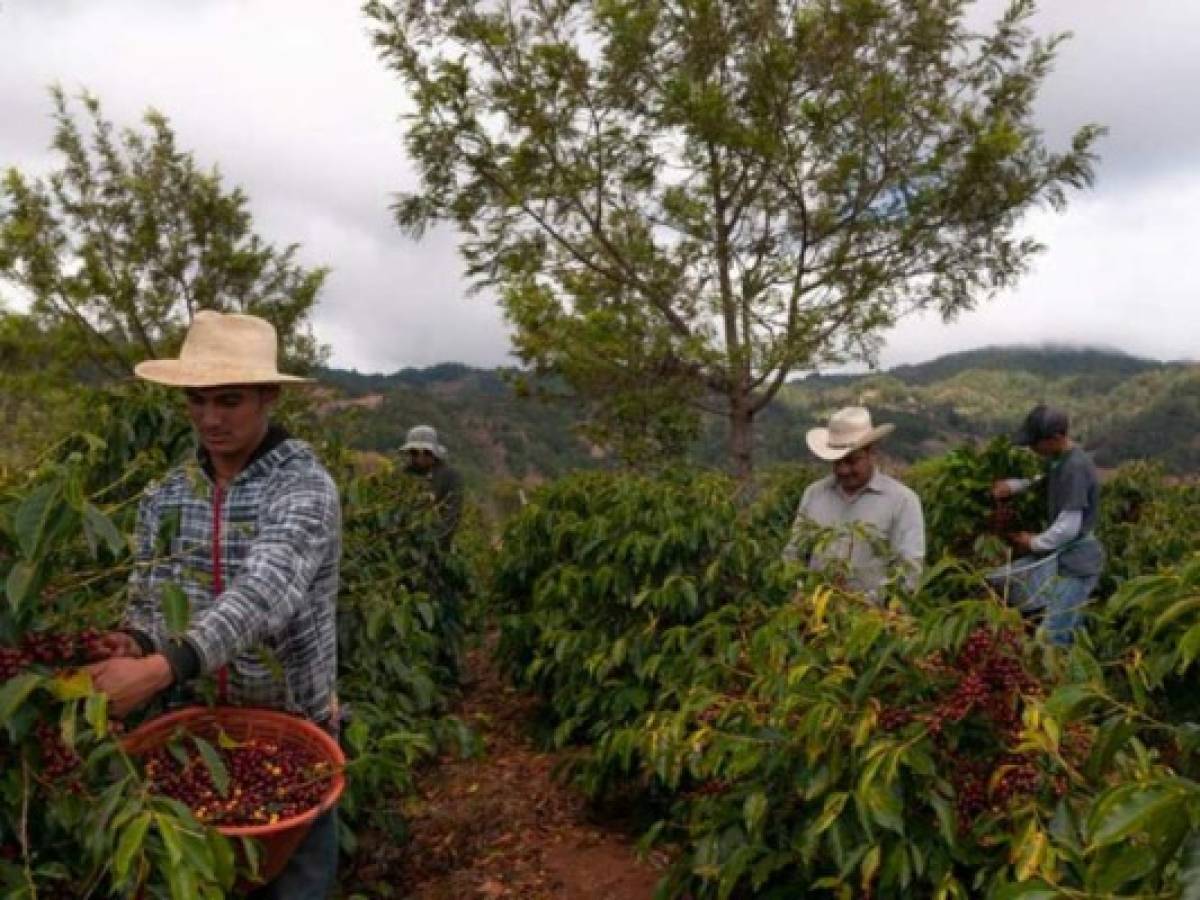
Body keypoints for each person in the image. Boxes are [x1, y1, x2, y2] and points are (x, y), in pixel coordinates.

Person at [85, 311, 341, 899]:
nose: (210, 419)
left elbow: (265, 592)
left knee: (296, 887)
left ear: (268, 395)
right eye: (196, 401)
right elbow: (151, 602)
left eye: (229, 401)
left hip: (293, 728)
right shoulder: (167, 495)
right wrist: (135, 643)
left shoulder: (303, 486)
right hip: (195, 736)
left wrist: (157, 668)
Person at [991, 404, 1104, 645]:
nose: (1031, 448)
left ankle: (1059, 678)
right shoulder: (1060, 460)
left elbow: (1068, 527)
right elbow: (1043, 480)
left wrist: (1033, 542)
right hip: (1067, 561)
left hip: (1077, 564)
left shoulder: (1075, 468)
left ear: (1056, 437)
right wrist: (1013, 486)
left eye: (1035, 442)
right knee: (1070, 623)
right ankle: (1075, 669)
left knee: (1052, 636)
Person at [783, 406, 925, 597]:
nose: (843, 470)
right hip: (814, 619)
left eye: (851, 461)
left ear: (871, 453)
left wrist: (865, 605)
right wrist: (801, 594)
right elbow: (794, 554)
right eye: (837, 462)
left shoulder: (902, 501)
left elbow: (909, 570)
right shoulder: (814, 494)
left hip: (875, 620)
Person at [401, 425, 463, 549]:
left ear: (434, 453)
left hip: (435, 546)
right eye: (414, 452)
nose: (420, 458)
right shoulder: (402, 475)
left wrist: (431, 544)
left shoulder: (449, 476)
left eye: (426, 453)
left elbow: (451, 516)